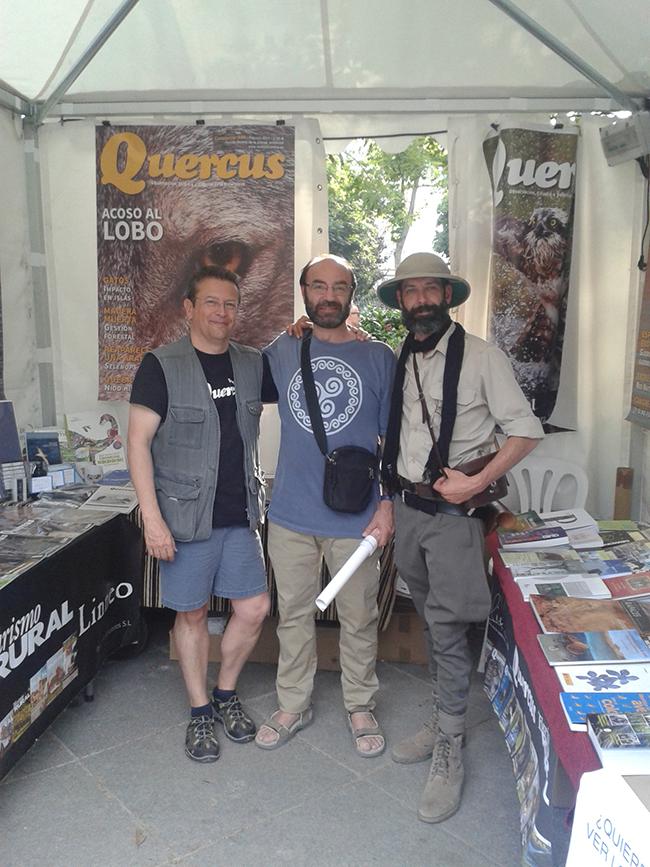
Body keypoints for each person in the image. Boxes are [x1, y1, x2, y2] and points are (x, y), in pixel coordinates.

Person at [377, 252, 544, 822]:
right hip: (410, 512)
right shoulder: (401, 353)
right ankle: (443, 715)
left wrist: (477, 480)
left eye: (431, 289)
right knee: (430, 620)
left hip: (452, 520)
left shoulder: (480, 356)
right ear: (400, 301)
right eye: (410, 291)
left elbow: (526, 430)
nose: (420, 300)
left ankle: (450, 740)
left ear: (448, 296)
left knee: (447, 628)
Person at [127, 265, 272, 763]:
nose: (222, 313)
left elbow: (303, 377)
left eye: (230, 304)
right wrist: (152, 517)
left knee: (253, 609)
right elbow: (138, 443)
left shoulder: (253, 363)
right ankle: (199, 710)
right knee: (189, 614)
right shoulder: (160, 366)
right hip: (185, 518)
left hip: (240, 513)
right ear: (189, 309)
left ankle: (226, 694)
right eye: (211, 302)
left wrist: (328, 334)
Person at [255, 254, 396, 756]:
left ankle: (360, 704)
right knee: (292, 614)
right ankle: (293, 703)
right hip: (292, 514)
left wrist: (387, 504)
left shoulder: (378, 357)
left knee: (358, 614)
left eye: (339, 286)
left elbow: (393, 441)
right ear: (304, 292)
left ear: (352, 294)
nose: (329, 295)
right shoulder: (283, 348)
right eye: (319, 286)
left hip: (356, 517)